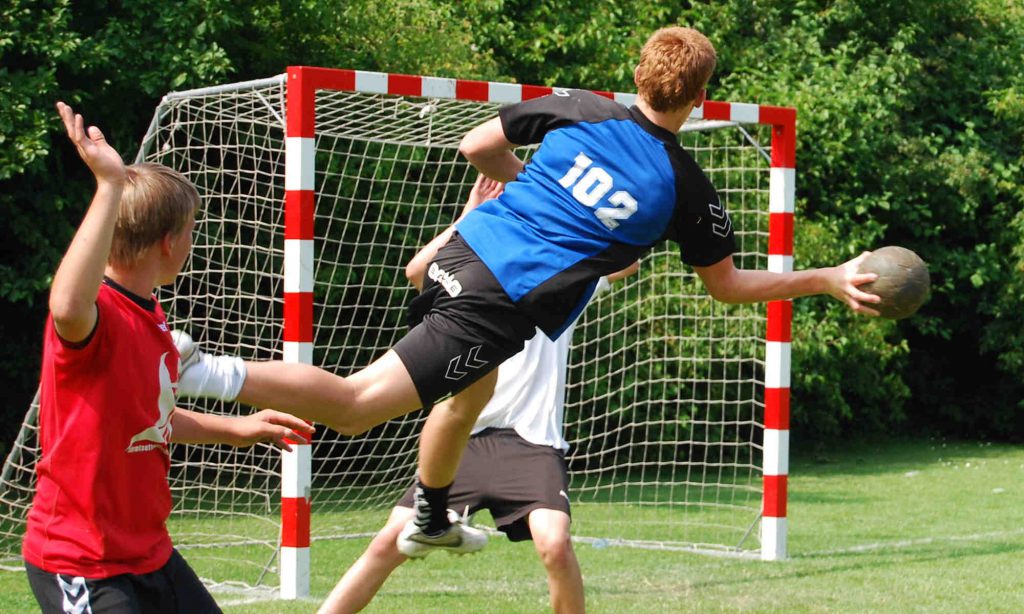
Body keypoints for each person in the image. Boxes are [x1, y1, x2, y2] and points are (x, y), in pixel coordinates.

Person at [173, 26, 882, 556]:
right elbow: (726, 286)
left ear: (638, 72)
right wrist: (823, 278)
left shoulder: (580, 106)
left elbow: (475, 148)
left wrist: (535, 184)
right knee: (358, 406)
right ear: (700, 99)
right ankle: (201, 369)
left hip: (468, 247)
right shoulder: (685, 187)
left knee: (470, 397)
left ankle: (431, 516)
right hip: (498, 299)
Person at [22, 102, 315, 614]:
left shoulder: (151, 316)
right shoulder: (98, 316)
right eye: (192, 229)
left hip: (148, 555)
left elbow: (148, 419)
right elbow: (66, 305)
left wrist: (236, 429)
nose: (193, 240)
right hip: (83, 562)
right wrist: (108, 186)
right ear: (168, 242)